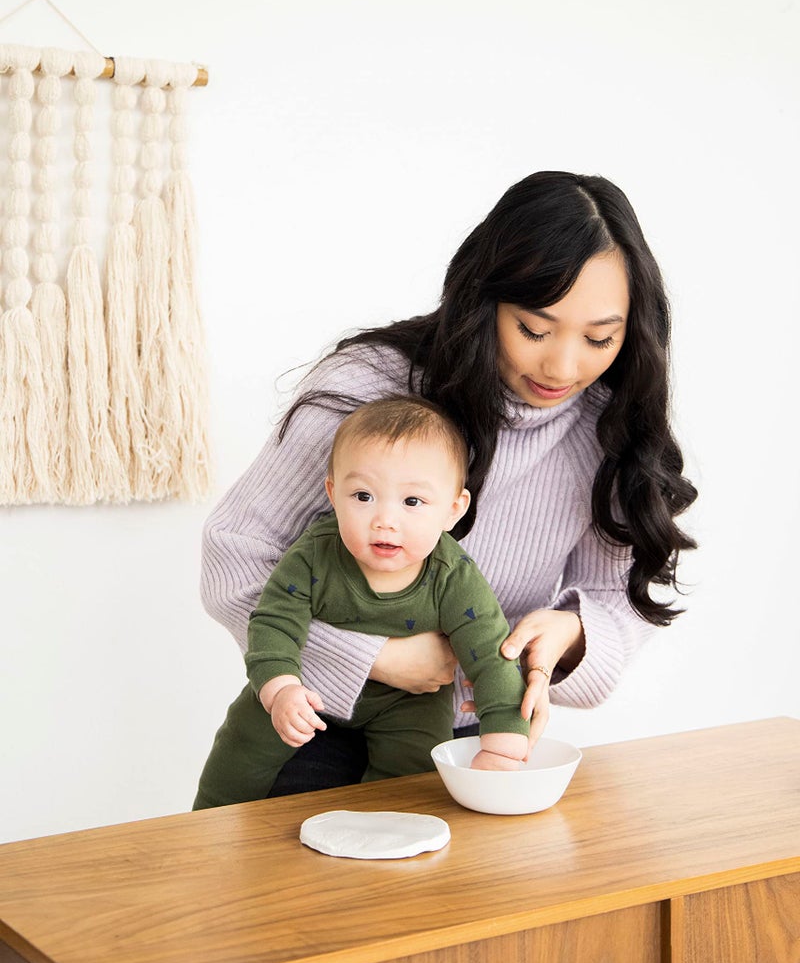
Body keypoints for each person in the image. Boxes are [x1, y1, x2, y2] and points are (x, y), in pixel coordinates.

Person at [199, 170, 697, 798]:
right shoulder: (371, 387)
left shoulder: (608, 427)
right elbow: (235, 558)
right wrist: (373, 658)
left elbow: (615, 600)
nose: (563, 366)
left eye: (600, 338)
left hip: (475, 748)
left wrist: (570, 636)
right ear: (484, 300)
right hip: (314, 722)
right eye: (535, 331)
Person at [193, 396, 531, 809]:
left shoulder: (453, 576)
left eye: (412, 502)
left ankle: (388, 836)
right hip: (310, 685)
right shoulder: (315, 554)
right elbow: (273, 623)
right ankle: (208, 825)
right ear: (333, 494)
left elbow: (492, 656)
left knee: (414, 775)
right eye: (363, 496)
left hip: (409, 702)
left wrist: (502, 745)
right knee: (244, 741)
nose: (384, 520)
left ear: (452, 510)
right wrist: (281, 689)